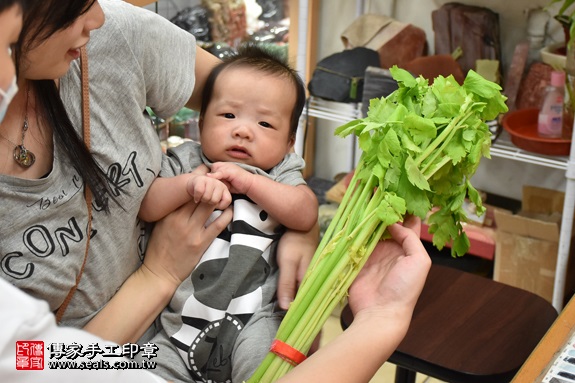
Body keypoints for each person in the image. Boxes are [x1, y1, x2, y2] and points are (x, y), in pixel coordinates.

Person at [0, 1, 431, 382]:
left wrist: (302, 227)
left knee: (261, 361)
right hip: (153, 341)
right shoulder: (188, 160)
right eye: (74, 3)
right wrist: (159, 276)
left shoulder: (113, 38)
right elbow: (39, 363)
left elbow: (267, 106)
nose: (96, 16)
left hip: (249, 316)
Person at [138, 44, 318, 383]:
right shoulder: (187, 161)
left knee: (265, 371)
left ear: (290, 141)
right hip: (178, 324)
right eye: (228, 116)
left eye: (265, 123)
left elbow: (305, 211)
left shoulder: (279, 172)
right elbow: (148, 206)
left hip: (256, 320)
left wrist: (249, 184)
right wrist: (188, 185)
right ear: (201, 122)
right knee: (148, 370)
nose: (243, 130)